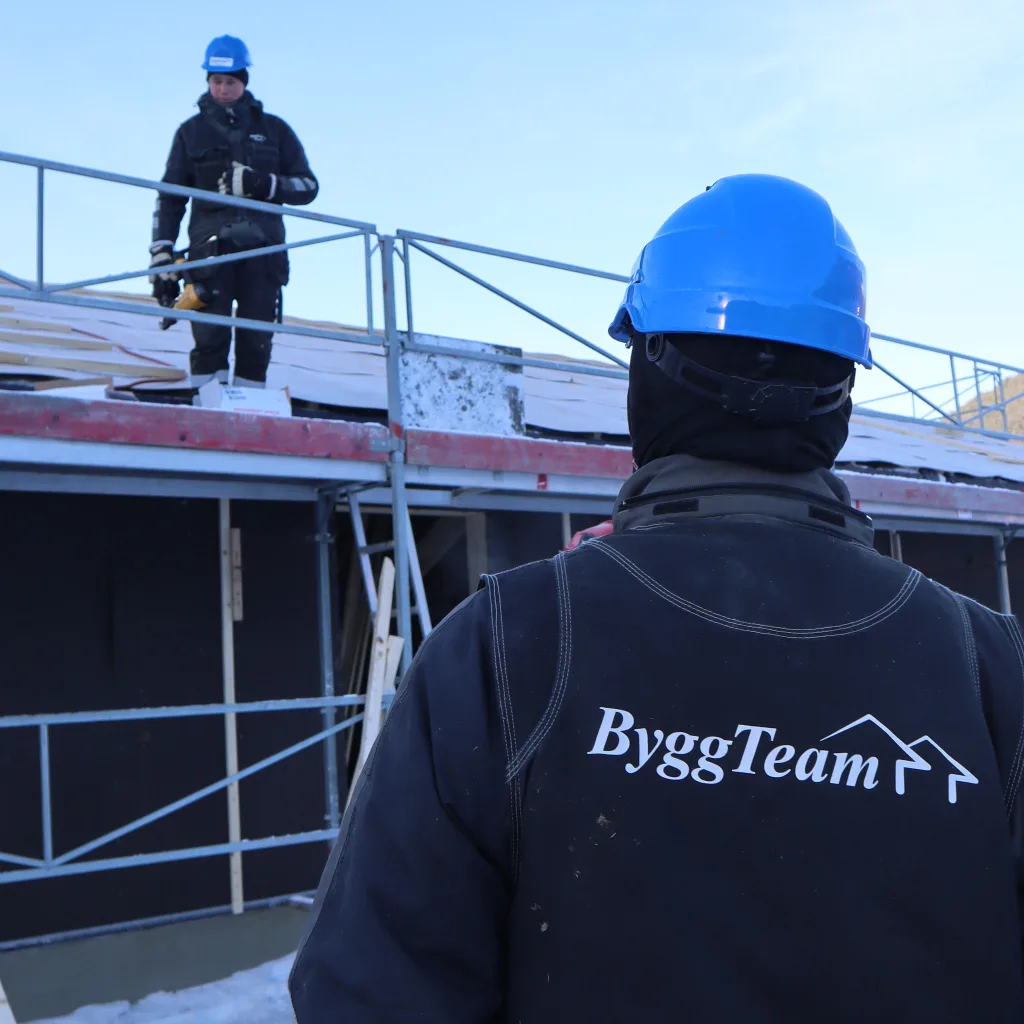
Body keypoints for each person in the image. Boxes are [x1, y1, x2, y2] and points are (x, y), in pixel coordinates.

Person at [289, 175, 1024, 1021]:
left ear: (651, 370)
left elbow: (368, 994)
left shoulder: (508, 646)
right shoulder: (991, 667)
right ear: (841, 393)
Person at [149, 35, 319, 389]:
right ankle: (207, 405)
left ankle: (250, 405)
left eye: (230, 81)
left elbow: (308, 187)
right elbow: (170, 197)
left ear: (244, 81)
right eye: (216, 81)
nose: (223, 89)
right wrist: (161, 250)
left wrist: (262, 184)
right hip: (209, 252)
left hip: (264, 250)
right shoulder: (190, 133)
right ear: (208, 80)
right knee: (209, 336)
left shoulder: (275, 130)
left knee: (257, 338)